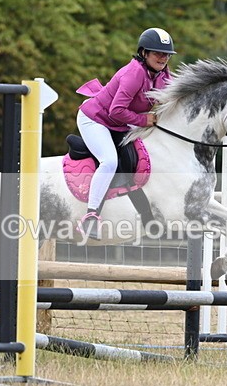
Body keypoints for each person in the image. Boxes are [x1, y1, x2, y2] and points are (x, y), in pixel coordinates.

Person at [75, 27, 176, 240]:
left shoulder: (162, 74)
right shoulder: (134, 73)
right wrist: (144, 120)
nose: (163, 58)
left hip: (120, 124)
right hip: (95, 119)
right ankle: (91, 216)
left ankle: (149, 217)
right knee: (110, 161)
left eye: (166, 54)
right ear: (144, 53)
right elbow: (116, 111)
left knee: (145, 156)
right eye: (158, 53)